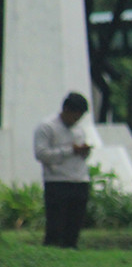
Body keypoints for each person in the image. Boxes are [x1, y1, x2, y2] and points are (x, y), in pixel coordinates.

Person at [33, 92, 92, 249]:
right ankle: (52, 250)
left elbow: (79, 154)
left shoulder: (79, 130)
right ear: (66, 109)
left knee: (75, 222)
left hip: (79, 179)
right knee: (56, 223)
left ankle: (71, 247)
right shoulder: (47, 127)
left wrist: (83, 152)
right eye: (74, 116)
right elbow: (41, 154)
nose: (76, 120)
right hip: (57, 180)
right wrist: (69, 151)